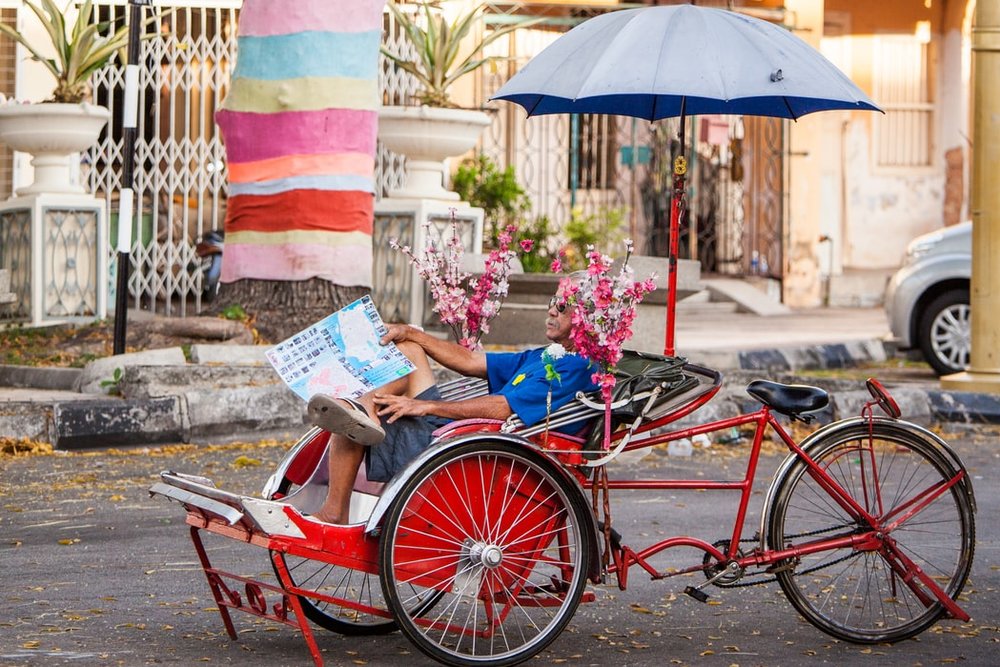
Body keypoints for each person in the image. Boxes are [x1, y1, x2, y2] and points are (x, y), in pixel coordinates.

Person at [304, 287, 598, 525]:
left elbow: (502, 407)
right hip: (463, 438)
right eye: (552, 302)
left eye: (562, 307)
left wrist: (427, 407)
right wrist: (410, 333)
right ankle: (365, 407)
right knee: (407, 349)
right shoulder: (543, 356)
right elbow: (470, 361)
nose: (550, 310)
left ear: (586, 319)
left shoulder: (576, 367)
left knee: (352, 422)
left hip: (480, 454)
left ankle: (335, 504)